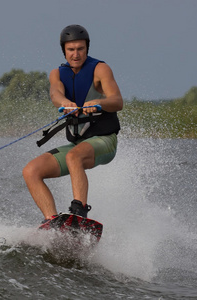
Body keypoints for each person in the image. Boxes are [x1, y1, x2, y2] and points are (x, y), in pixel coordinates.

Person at [22, 24, 123, 224]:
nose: (75, 54)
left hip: (104, 141)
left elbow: (117, 101)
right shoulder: (57, 74)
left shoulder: (100, 69)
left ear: (87, 49)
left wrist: (98, 103)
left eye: (80, 49)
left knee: (73, 156)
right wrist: (64, 103)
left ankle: (79, 213)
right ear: (64, 50)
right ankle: (53, 222)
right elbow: (55, 94)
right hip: (78, 145)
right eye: (71, 49)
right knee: (31, 171)